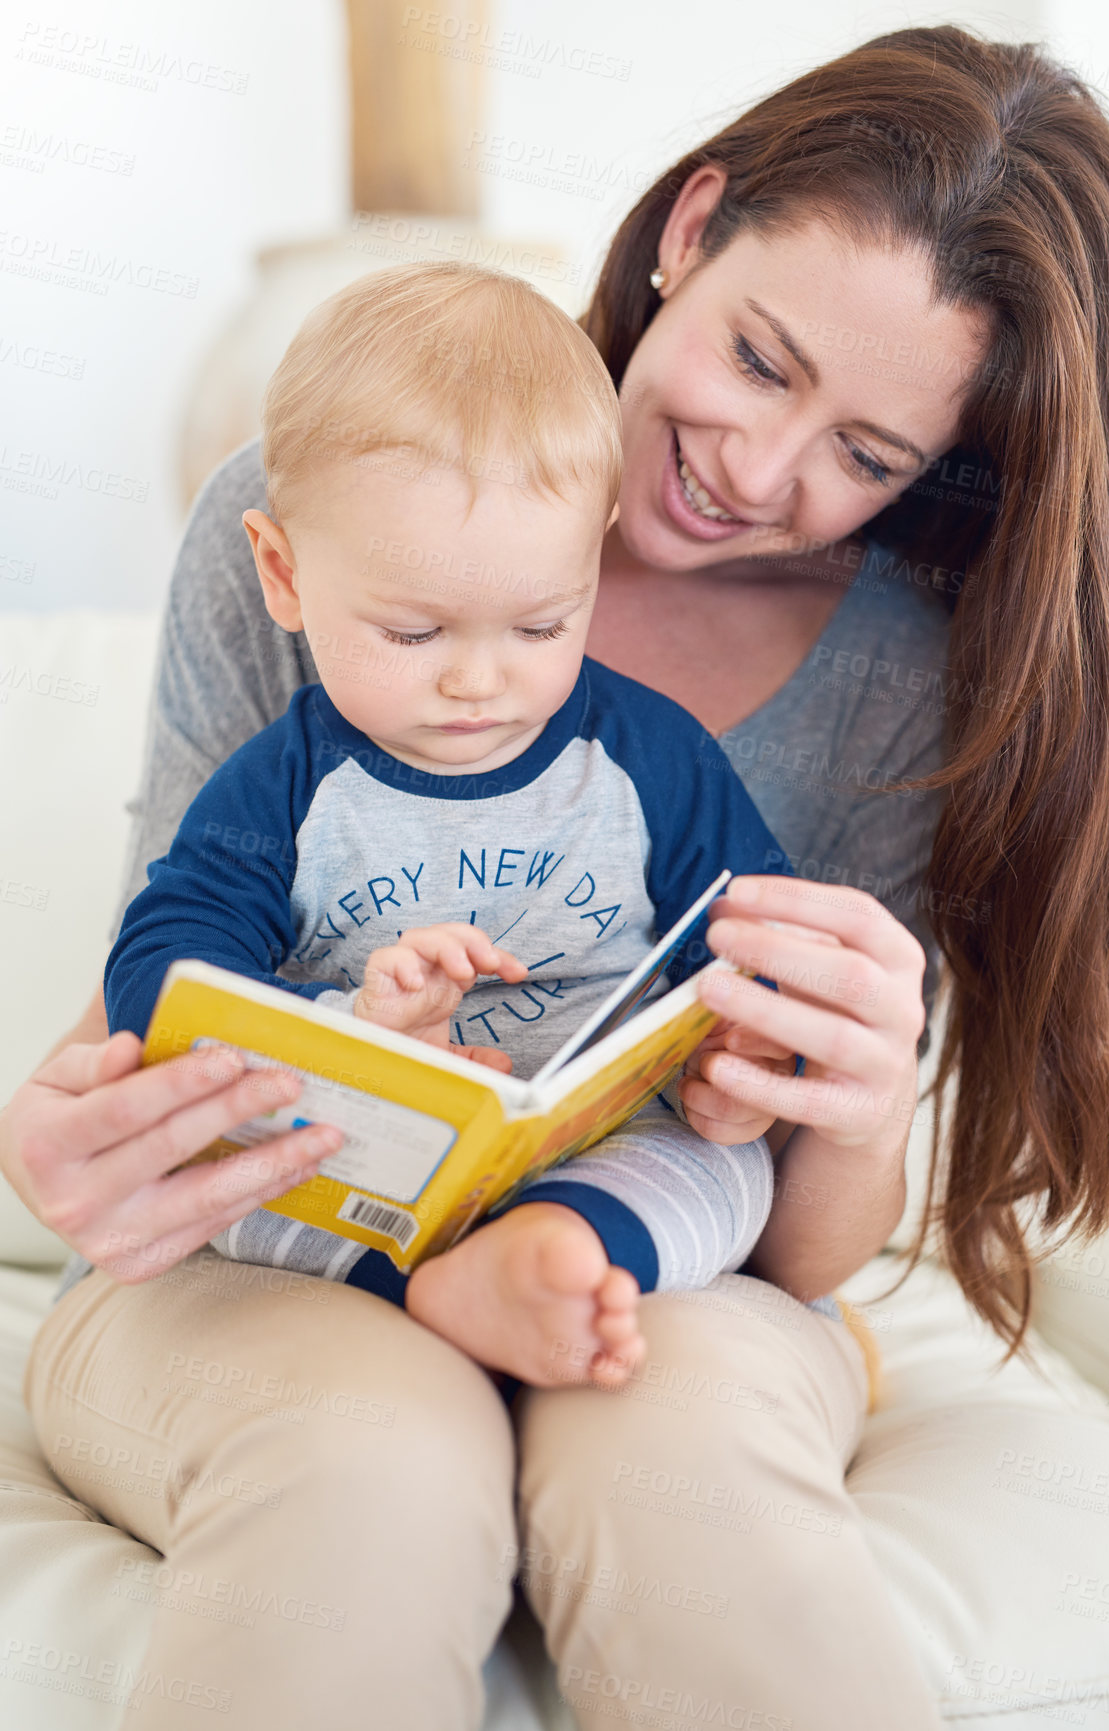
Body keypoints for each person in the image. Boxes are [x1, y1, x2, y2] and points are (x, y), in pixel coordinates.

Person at [8, 24, 1109, 1731]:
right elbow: (170, 976)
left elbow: (803, 1253)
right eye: (760, 361)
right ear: (692, 228)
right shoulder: (320, 511)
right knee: (366, 1468)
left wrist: (847, 1102)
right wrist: (64, 1129)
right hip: (269, 1262)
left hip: (675, 1267)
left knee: (687, 1475)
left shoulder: (899, 674)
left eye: (870, 455)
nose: (764, 477)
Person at [102, 261, 797, 1391]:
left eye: (539, 623)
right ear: (283, 573)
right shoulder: (285, 782)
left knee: (723, 1175)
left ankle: (549, 1256)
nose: (480, 681)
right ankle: (425, 1290)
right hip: (366, 1154)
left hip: (593, 1145)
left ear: (593, 558)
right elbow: (159, 971)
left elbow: (762, 926)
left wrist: (752, 1039)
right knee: (233, 1196)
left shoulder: (651, 759)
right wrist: (347, 1026)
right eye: (415, 634)